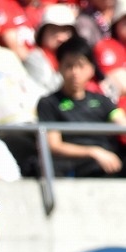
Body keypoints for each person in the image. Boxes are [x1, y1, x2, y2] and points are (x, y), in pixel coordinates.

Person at [37, 35, 126, 177]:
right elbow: (54, 145)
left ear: (91, 69)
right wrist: (94, 152)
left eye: (80, 65)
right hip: (74, 166)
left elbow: (121, 123)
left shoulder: (103, 101)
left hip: (109, 162)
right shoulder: (48, 103)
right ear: (59, 67)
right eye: (69, 65)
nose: (75, 72)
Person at [24, 3, 78, 96]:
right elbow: (50, 90)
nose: (60, 36)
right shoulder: (35, 58)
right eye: (54, 30)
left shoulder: (77, 57)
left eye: (65, 30)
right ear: (42, 33)